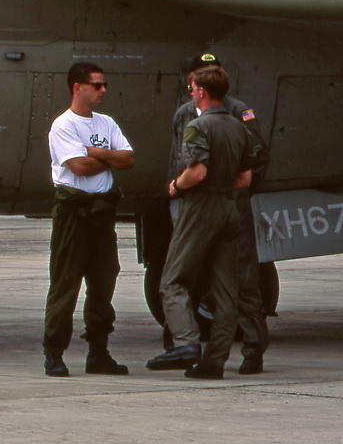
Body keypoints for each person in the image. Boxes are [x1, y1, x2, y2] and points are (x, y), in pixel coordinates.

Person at [161, 53, 271, 374]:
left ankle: (249, 346)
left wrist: (179, 188)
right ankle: (185, 348)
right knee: (205, 278)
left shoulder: (237, 112)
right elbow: (176, 159)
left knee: (240, 276)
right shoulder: (184, 115)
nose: (196, 83)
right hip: (201, 203)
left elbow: (254, 160)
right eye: (197, 74)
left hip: (223, 201)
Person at [43, 61, 136, 377]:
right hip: (73, 214)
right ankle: (54, 353)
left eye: (103, 84)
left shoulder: (106, 123)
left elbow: (129, 158)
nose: (103, 90)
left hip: (102, 215)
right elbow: (78, 169)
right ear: (77, 88)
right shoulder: (63, 125)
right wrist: (109, 158)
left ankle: (98, 352)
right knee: (65, 284)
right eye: (97, 85)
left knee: (103, 283)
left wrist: (95, 153)